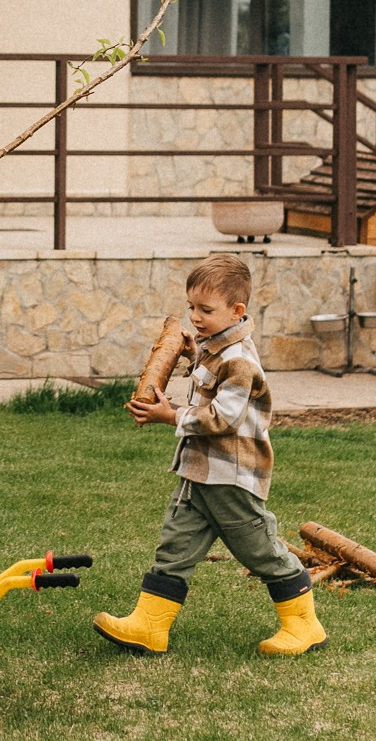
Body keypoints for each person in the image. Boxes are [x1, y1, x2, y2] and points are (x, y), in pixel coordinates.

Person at [93, 252, 328, 660]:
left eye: (206, 310)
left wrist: (170, 416)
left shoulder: (239, 361)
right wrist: (188, 353)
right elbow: (207, 367)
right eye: (191, 307)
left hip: (230, 476)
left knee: (261, 551)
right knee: (175, 545)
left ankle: (304, 625)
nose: (196, 317)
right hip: (198, 473)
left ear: (237, 311)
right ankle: (150, 626)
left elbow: (224, 417)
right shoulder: (216, 347)